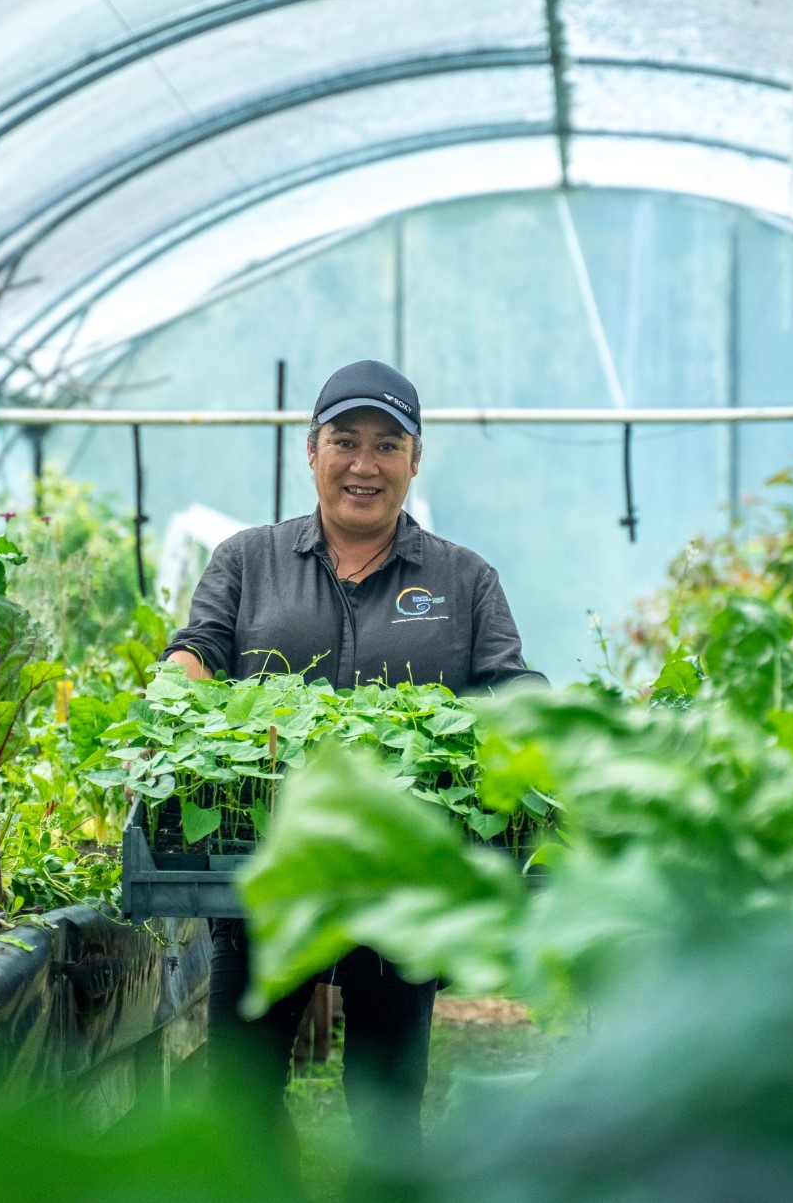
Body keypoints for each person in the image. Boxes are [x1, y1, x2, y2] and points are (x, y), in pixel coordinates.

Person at [163, 359, 543, 1181]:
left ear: (414, 459)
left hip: (400, 880)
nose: (363, 464)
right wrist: (182, 690)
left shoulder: (463, 578)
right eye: (345, 441)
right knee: (241, 1086)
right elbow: (196, 652)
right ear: (312, 451)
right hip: (260, 868)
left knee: (384, 1098)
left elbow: (513, 690)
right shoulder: (247, 560)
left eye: (386, 444)